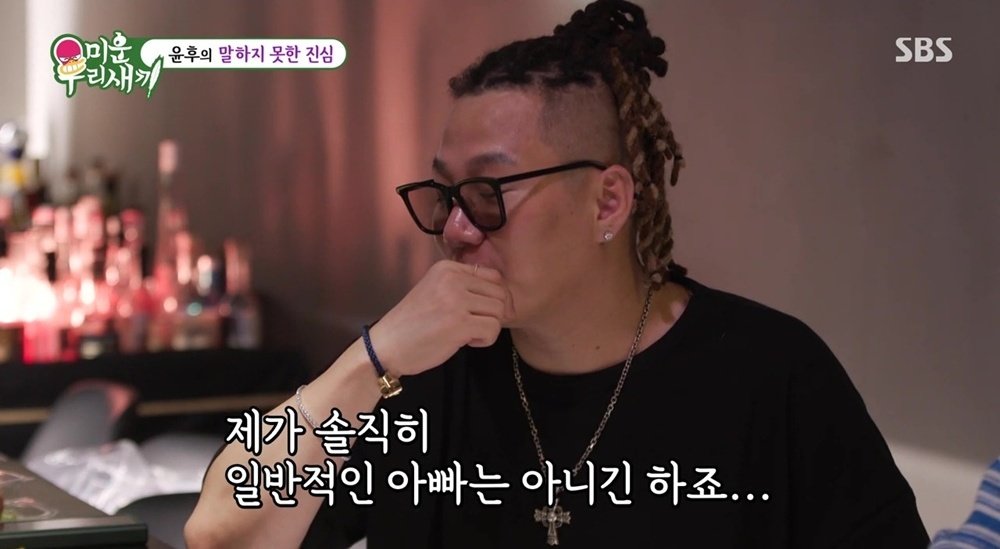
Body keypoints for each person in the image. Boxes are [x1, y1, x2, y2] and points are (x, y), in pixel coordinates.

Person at [186, 1, 929, 547]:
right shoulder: (424, 372)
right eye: (445, 193)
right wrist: (369, 360)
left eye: (490, 191)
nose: (457, 228)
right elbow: (219, 534)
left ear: (607, 201)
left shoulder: (771, 375)